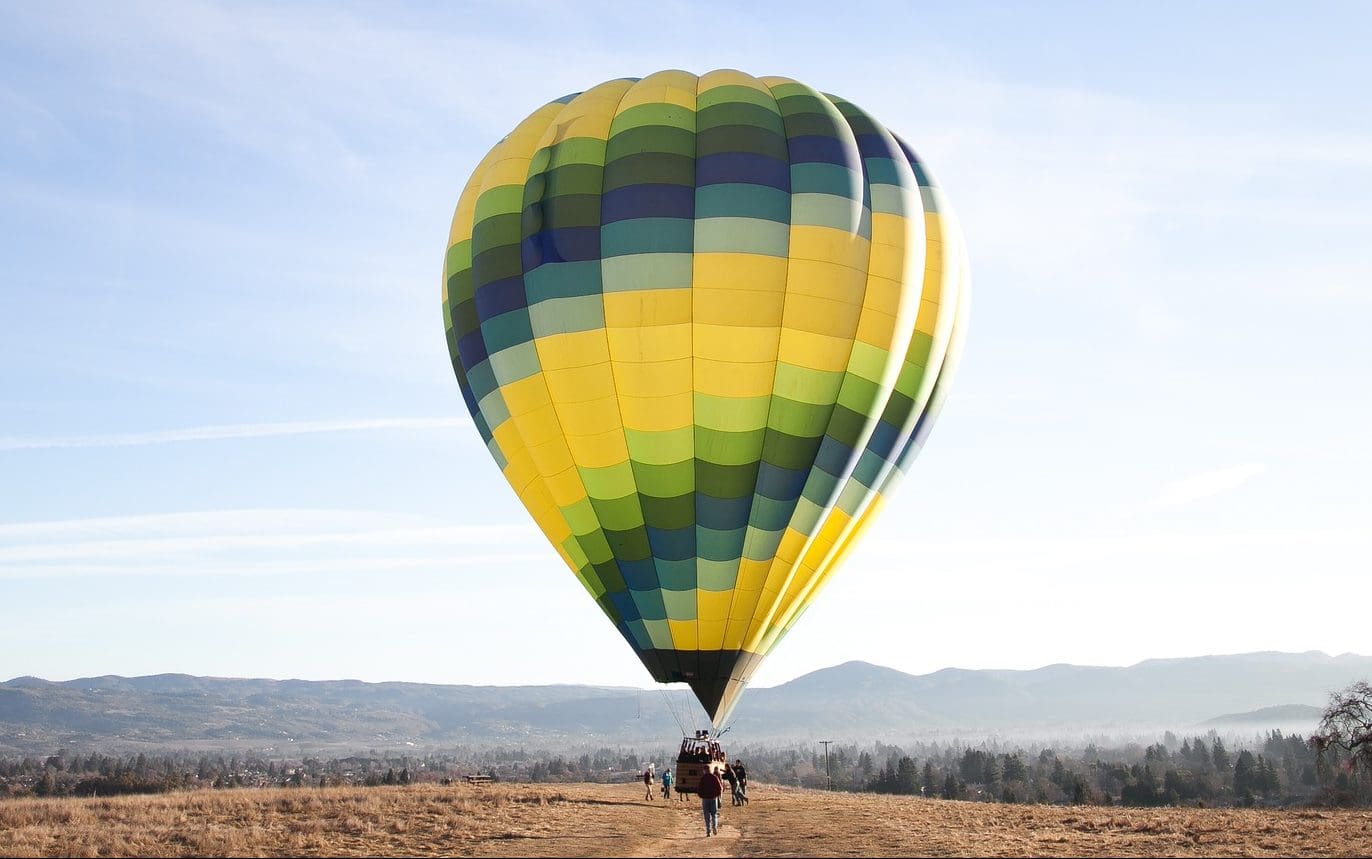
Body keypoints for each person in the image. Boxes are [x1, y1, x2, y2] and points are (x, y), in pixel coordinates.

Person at [697, 768, 724, 836]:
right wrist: (717, 795)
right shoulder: (714, 777)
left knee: (706, 816)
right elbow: (720, 788)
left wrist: (701, 795)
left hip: (705, 799)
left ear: (704, 771)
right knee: (714, 814)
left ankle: (708, 831)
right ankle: (714, 826)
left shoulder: (703, 778)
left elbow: (699, 788)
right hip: (713, 798)